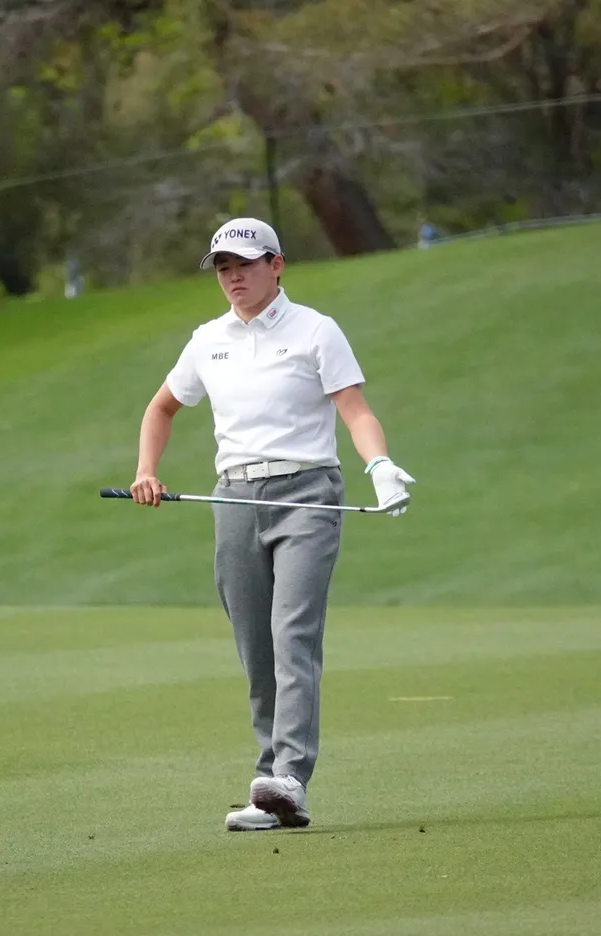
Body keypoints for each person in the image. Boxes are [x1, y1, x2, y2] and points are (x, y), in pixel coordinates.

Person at [128, 217, 416, 831]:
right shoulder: (207, 340)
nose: (233, 277)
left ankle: (289, 777)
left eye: (245, 264)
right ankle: (271, 792)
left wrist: (380, 465)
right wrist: (146, 469)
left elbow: (354, 410)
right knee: (256, 647)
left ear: (276, 265)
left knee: (292, 635)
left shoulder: (316, 330)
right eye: (223, 268)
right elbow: (162, 408)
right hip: (233, 499)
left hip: (308, 493)